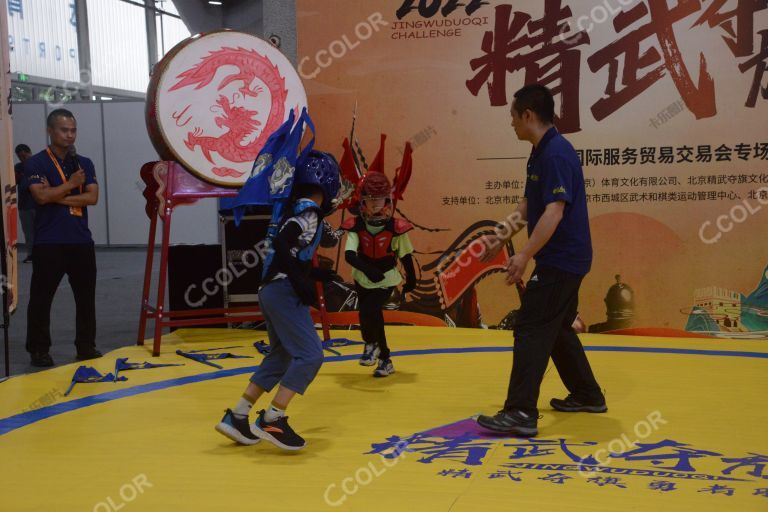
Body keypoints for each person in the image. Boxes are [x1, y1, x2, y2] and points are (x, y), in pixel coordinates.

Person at [476, 84, 606, 437]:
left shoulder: (556, 154)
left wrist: (524, 254)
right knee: (558, 325)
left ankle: (520, 411)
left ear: (528, 116)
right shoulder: (540, 152)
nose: (511, 124)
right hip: (565, 258)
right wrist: (501, 235)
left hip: (561, 260)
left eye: (513, 117)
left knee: (532, 326)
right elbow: (529, 206)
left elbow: (554, 211)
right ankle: (587, 393)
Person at [215, 150, 341, 451]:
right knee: (310, 355)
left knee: (281, 355)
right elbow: (285, 243)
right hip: (283, 291)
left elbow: (289, 251)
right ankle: (274, 416)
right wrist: (300, 282)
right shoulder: (309, 212)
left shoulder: (291, 207)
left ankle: (238, 415)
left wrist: (318, 275)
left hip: (269, 289)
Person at [23, 109, 101, 368]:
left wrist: (58, 195)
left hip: (80, 240)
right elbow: (40, 197)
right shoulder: (35, 163)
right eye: (64, 130)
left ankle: (86, 345)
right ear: (50, 131)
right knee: (42, 297)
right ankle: (39, 349)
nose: (69, 135)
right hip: (49, 241)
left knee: (86, 296)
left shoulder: (84, 163)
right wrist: (70, 184)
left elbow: (92, 198)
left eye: (73, 130)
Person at [341, 172, 415, 377]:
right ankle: (385, 359)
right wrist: (368, 271)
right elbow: (349, 255)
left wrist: (412, 280)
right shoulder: (356, 225)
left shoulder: (396, 228)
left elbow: (406, 256)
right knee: (373, 317)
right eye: (370, 199)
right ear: (362, 200)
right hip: (363, 276)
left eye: (379, 199)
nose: (375, 204)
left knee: (369, 311)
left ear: (388, 200)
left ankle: (371, 344)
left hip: (386, 277)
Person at [14, 144, 35, 263]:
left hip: (38, 204)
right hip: (24, 205)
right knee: (28, 232)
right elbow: (14, 182)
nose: (21, 159)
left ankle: (43, 254)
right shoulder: (18, 167)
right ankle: (31, 254)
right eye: (19, 157)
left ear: (29, 152)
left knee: (41, 230)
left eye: (23, 156)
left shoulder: (38, 163)